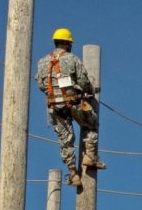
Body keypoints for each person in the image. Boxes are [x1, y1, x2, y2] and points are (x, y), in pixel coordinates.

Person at [35, 27, 105, 187]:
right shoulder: (72, 59)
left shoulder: (42, 62)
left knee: (65, 141)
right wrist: (90, 91)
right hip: (73, 102)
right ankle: (90, 156)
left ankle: (73, 174)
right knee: (91, 123)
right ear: (67, 43)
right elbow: (83, 81)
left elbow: (40, 84)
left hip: (54, 105)